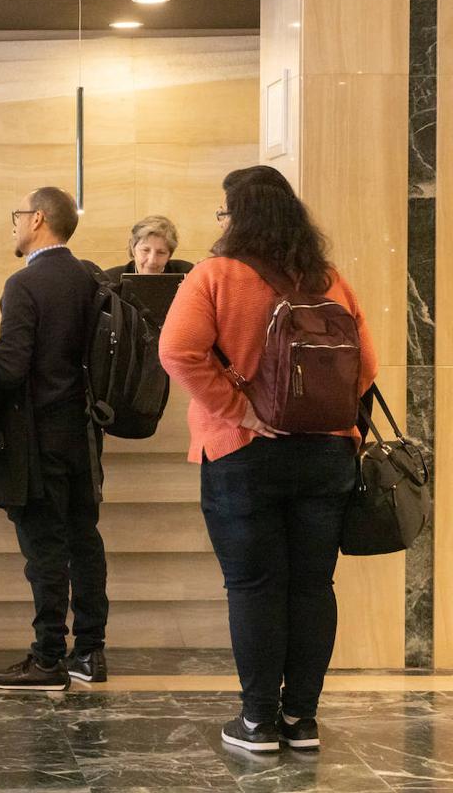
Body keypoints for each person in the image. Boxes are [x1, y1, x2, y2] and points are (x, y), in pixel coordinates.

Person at [159, 165, 377, 753]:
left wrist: (242, 410)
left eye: (224, 211)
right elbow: (368, 368)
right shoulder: (328, 279)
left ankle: (256, 722)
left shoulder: (215, 275)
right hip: (329, 453)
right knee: (312, 586)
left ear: (240, 216)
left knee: (254, 586)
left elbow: (177, 350)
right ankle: (301, 720)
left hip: (244, 454)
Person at [0, 187, 109, 693]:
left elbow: (12, 369)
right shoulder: (91, 278)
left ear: (38, 219)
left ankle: (48, 658)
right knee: (85, 540)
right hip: (84, 433)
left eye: (18, 216)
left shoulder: (24, 284)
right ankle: (91, 653)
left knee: (45, 548)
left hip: (38, 437)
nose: (14, 225)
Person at [104, 214, 193, 283]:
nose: (152, 260)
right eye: (145, 250)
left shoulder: (188, 274)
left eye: (161, 252)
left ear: (169, 255)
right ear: (133, 249)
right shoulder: (110, 280)